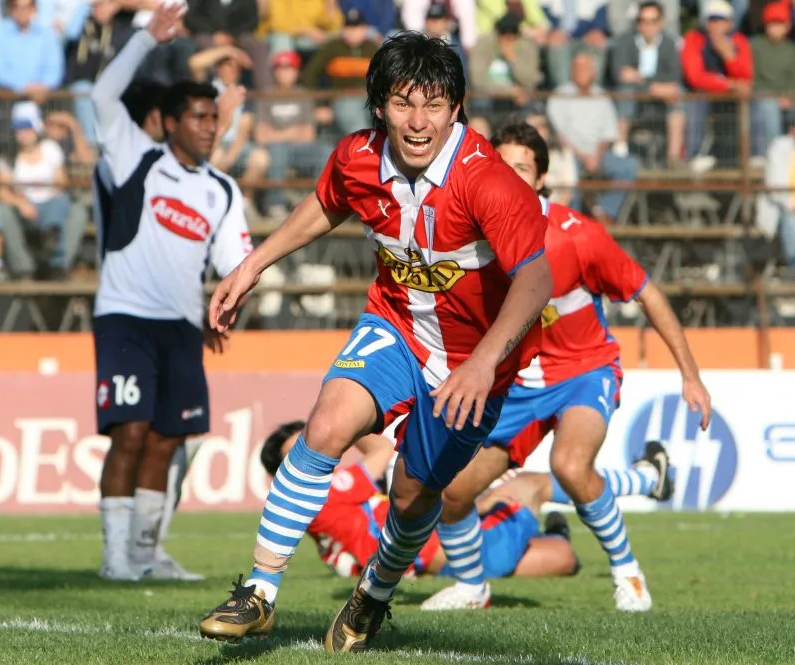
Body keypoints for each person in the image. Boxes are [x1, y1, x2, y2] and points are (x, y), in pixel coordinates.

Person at [198, 31, 553, 653]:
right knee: (327, 425)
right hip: (394, 327)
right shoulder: (358, 157)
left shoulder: (489, 181)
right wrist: (251, 265)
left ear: (457, 109)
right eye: (402, 103)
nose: (418, 123)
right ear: (379, 106)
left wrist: (482, 361)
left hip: (475, 367)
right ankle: (259, 592)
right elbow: (325, 204)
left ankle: (375, 593)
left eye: (435, 106)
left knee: (413, 494)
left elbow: (536, 278)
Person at [420, 122, 710, 613]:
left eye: (521, 168)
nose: (508, 176)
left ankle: (629, 576)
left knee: (570, 466)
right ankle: (473, 587)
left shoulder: (578, 237)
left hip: (584, 371)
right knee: (453, 490)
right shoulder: (470, 238)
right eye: (500, 165)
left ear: (539, 180)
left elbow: (649, 295)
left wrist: (690, 374)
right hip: (517, 385)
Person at [89, 3, 253, 582]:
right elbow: (101, 98)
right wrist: (142, 39)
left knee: (166, 440)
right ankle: (115, 558)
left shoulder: (223, 190)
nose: (211, 126)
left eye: (216, 118)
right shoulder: (138, 159)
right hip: (125, 318)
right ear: (171, 121)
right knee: (130, 434)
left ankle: (145, 555)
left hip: (181, 326)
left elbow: (236, 263)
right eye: (201, 117)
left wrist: (227, 306)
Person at [258, 421, 590, 581]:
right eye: (302, 450)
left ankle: (555, 533)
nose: (315, 452)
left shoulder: (312, 507)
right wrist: (339, 423)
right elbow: (382, 449)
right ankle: (638, 482)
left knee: (564, 558)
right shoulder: (325, 495)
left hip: (433, 563)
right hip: (439, 545)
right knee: (530, 484)